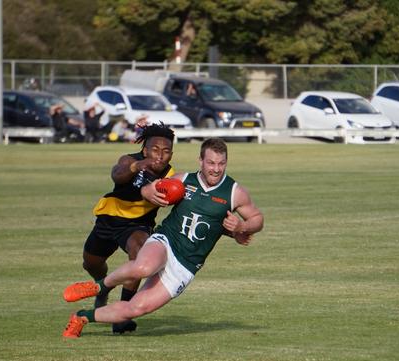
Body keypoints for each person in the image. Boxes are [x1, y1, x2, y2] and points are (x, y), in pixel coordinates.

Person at [62, 138, 264, 338]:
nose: (216, 169)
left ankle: (82, 317)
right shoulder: (184, 180)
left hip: (186, 265)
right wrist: (148, 191)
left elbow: (257, 219)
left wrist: (242, 226)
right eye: (211, 163)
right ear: (200, 161)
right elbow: (151, 188)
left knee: (137, 308)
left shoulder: (234, 192)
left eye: (221, 163)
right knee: (144, 267)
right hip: (165, 241)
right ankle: (99, 286)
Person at [71, 121, 177, 334]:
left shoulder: (170, 175)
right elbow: (117, 174)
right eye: (154, 150)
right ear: (144, 149)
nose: (159, 155)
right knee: (91, 262)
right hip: (108, 219)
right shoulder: (130, 160)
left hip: (138, 224)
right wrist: (135, 167)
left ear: (171, 154)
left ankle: (123, 314)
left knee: (139, 251)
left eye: (166, 151)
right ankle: (102, 288)